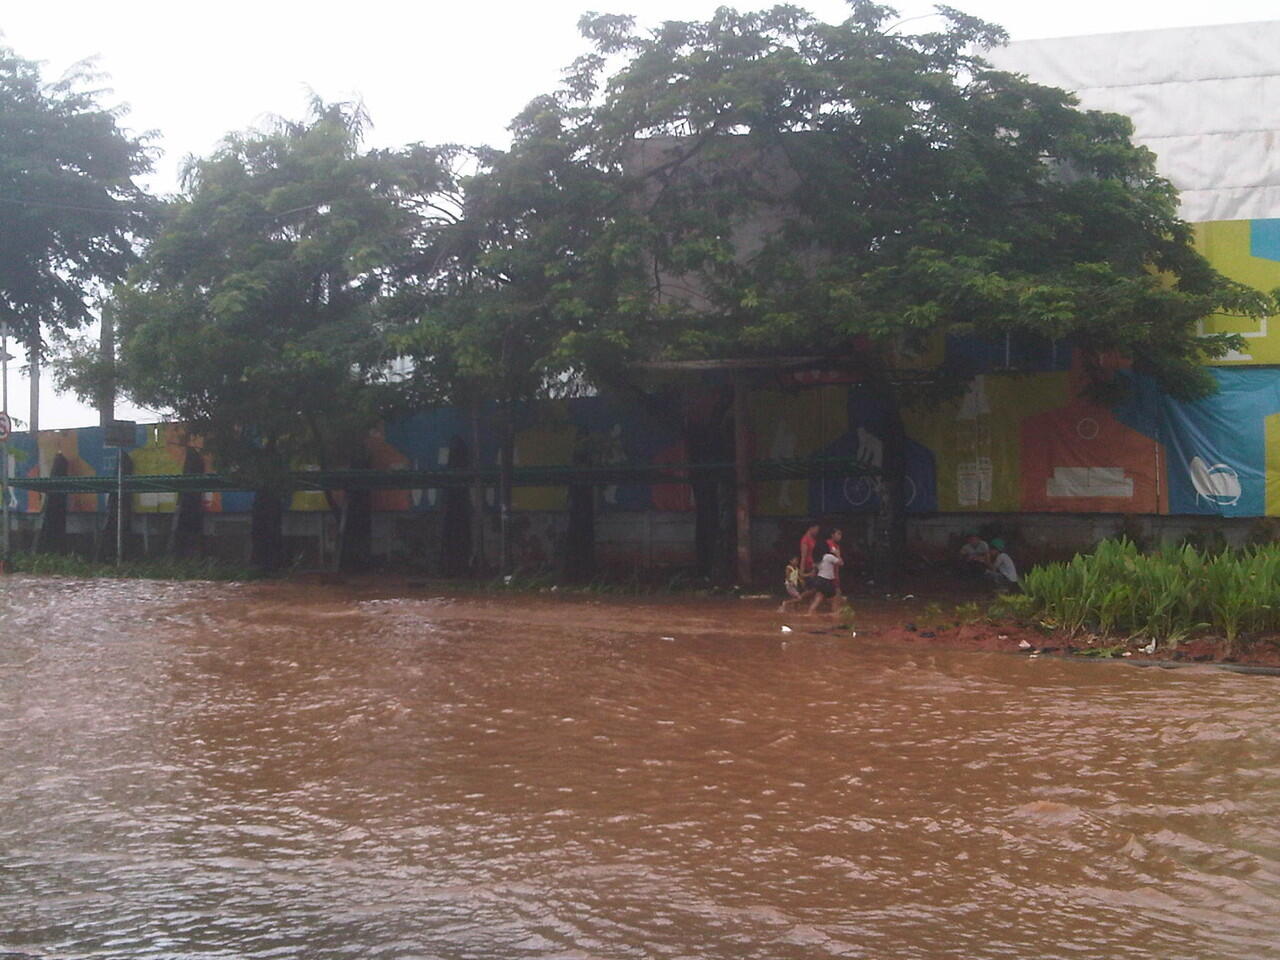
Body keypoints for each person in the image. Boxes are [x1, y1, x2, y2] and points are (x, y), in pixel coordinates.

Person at [807, 545, 844, 617]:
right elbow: (841, 563)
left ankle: (809, 612)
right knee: (834, 599)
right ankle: (835, 614)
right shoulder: (828, 557)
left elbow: (814, 570)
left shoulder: (818, 559)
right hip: (826, 581)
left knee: (819, 597)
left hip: (819, 580)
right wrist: (838, 554)